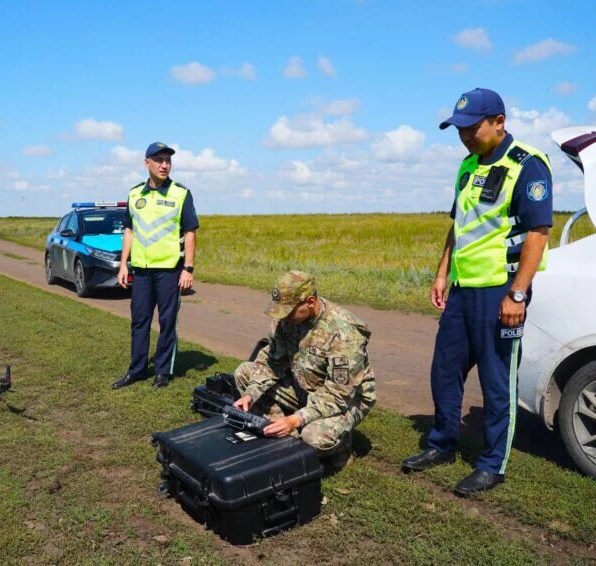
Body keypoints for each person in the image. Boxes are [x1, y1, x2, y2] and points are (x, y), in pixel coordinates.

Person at [402, 88, 553, 496]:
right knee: (444, 371)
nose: (465, 135)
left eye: (472, 127)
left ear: (499, 122)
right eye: (459, 129)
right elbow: (458, 226)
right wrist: (441, 274)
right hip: (463, 289)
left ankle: (492, 464)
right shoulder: (467, 166)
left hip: (500, 291)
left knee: (496, 379)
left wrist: (517, 294)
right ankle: (442, 443)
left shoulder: (527, 164)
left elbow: (539, 233)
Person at [232, 270, 376, 468]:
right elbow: (272, 361)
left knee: (313, 437)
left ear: (310, 302)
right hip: (304, 387)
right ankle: (283, 433)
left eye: (289, 311)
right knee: (245, 373)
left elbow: (339, 395)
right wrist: (250, 394)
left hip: (347, 400)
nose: (285, 317)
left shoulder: (343, 332)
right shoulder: (286, 319)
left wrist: (296, 419)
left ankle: (341, 447)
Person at [112, 142, 199, 390]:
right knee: (139, 321)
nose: (164, 165)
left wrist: (188, 268)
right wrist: (123, 265)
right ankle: (137, 371)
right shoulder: (135, 194)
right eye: (159, 160)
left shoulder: (180, 194)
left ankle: (162, 371)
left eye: (168, 160)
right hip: (141, 270)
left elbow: (190, 233)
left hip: (170, 270)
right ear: (146, 162)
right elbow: (129, 230)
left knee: (167, 321)